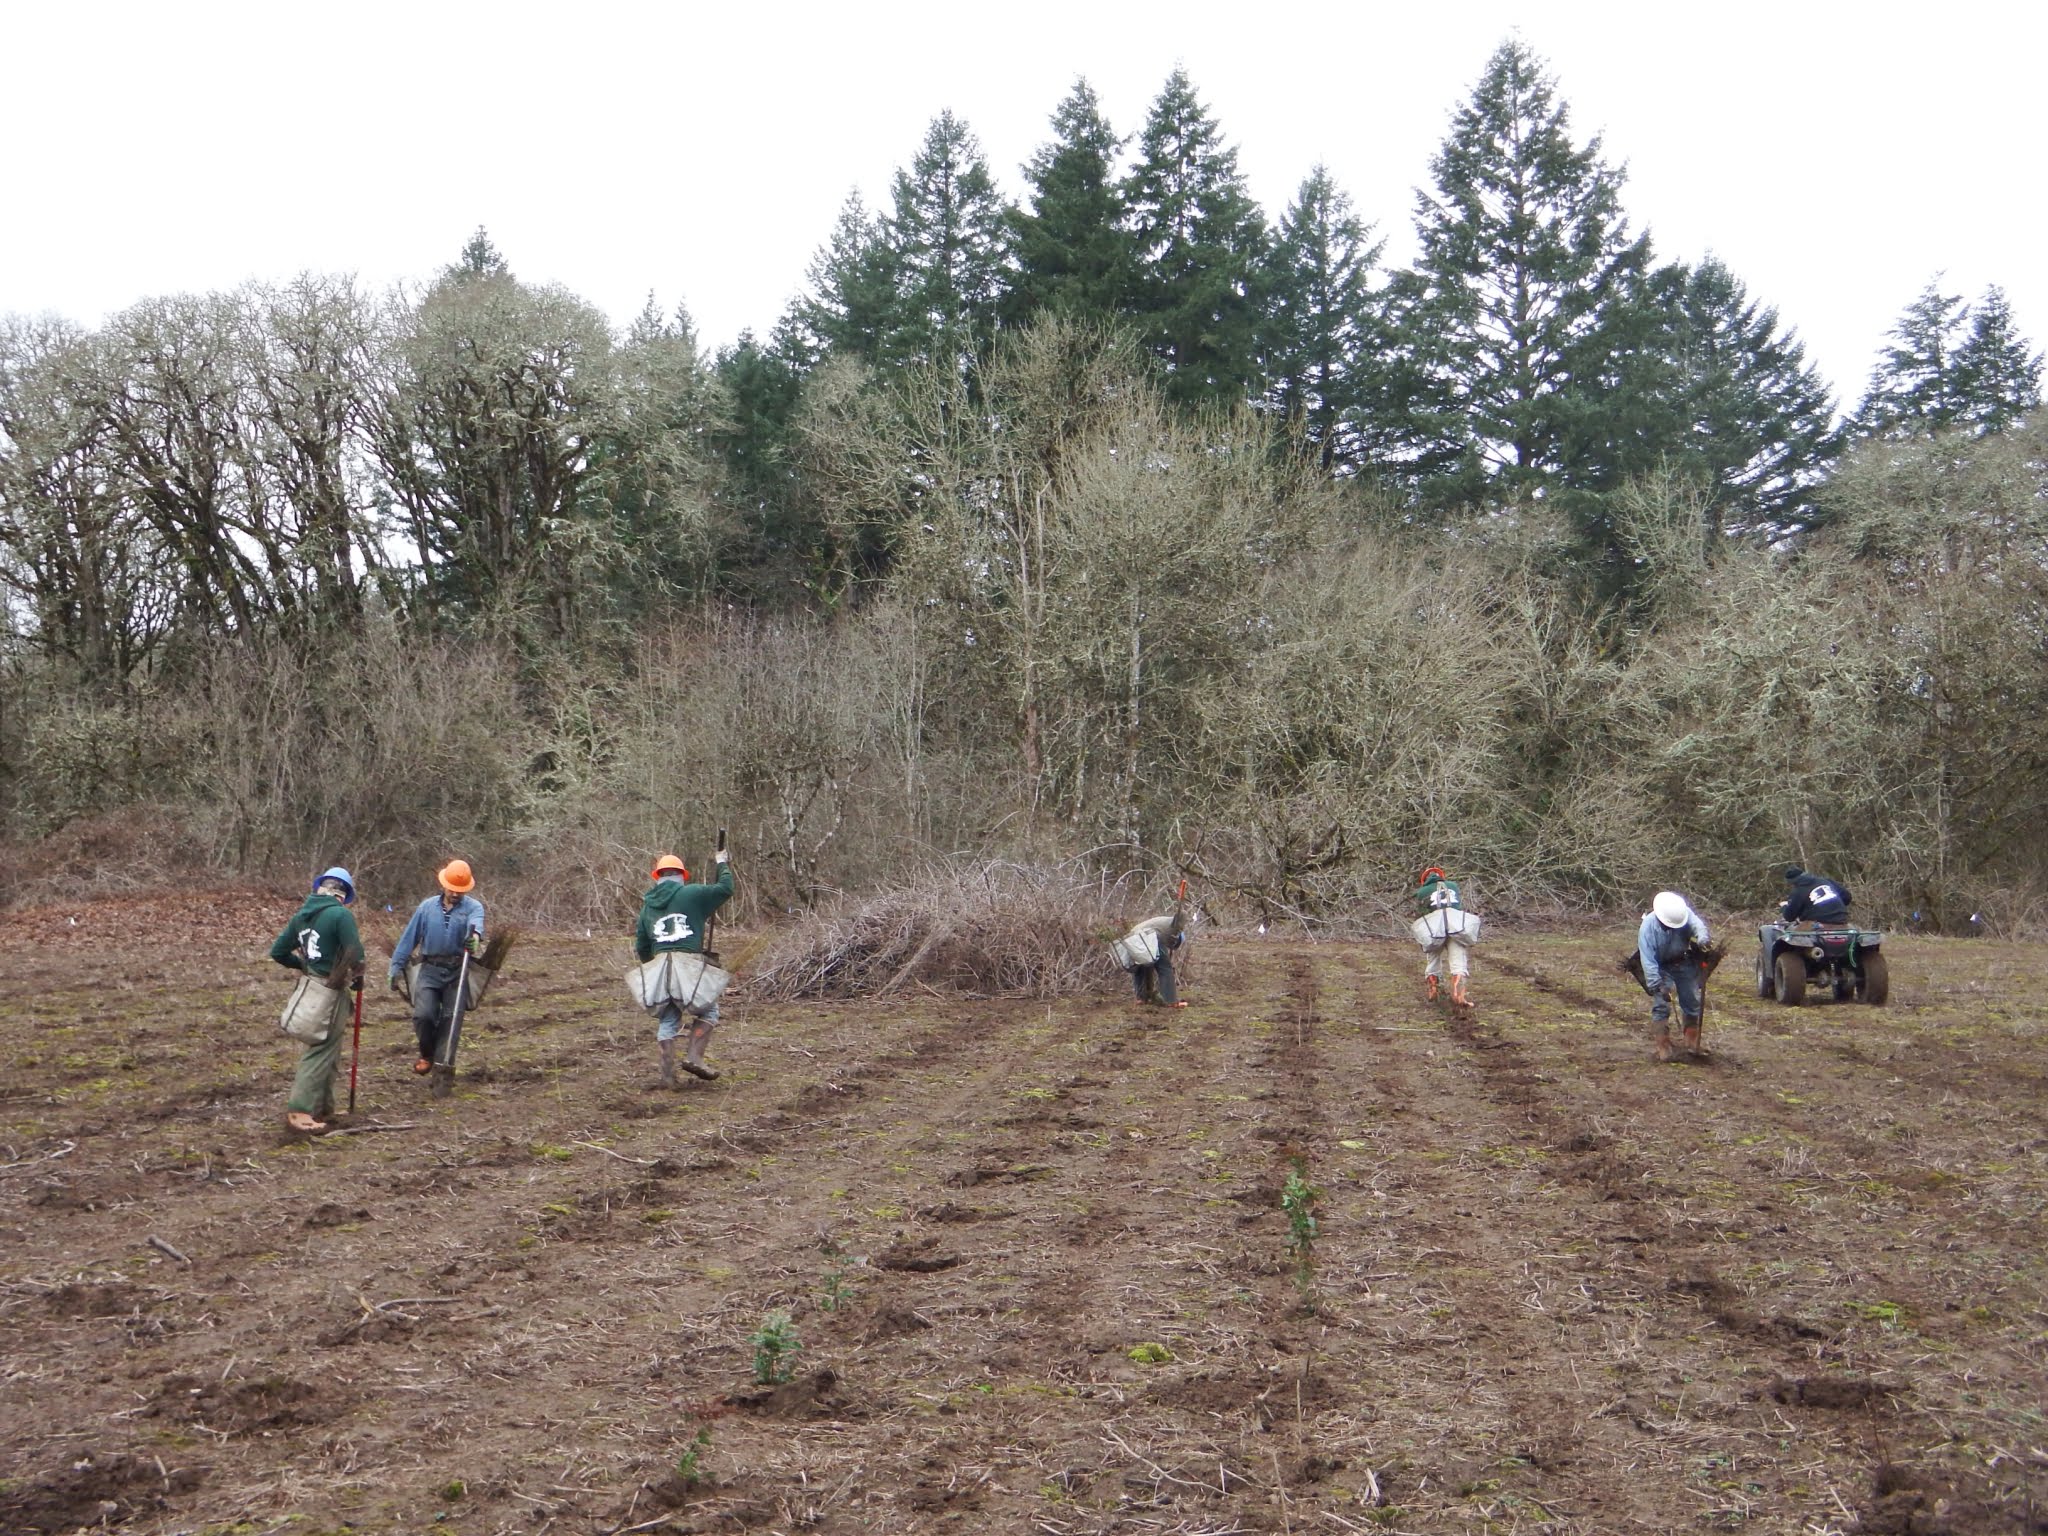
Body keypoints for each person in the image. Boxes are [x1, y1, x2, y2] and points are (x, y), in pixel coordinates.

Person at [268, 866, 366, 1132]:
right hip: (330, 992)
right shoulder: (340, 915)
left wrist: (302, 965)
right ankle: (299, 1110)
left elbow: (278, 951)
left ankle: (323, 1107)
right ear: (343, 895)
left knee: (330, 1051)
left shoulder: (302, 916)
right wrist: (358, 974)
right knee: (320, 1048)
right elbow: (355, 953)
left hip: (312, 984)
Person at [634, 848, 734, 1085]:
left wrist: (655, 966)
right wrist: (721, 863)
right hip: (688, 963)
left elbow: (642, 945)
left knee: (668, 1019)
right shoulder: (692, 893)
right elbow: (725, 888)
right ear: (682, 875)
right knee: (708, 1011)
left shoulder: (647, 906)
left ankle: (668, 1074)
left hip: (659, 966)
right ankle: (694, 1058)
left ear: (658, 876)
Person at [389, 859, 486, 1077]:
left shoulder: (474, 907)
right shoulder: (426, 908)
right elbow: (408, 939)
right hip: (430, 970)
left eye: (460, 890)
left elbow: (477, 924)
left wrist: (476, 938)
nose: (455, 893)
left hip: (457, 972)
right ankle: (427, 1055)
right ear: (444, 884)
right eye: (452, 888)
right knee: (423, 1016)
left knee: (451, 1021)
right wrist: (395, 967)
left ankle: (444, 1069)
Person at [1638, 889, 1711, 1062]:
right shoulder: (1647, 929)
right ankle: (1663, 1045)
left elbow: (1698, 927)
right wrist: (1657, 985)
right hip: (1661, 966)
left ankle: (1691, 1041)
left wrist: (1703, 939)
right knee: (1661, 1004)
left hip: (1683, 962)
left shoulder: (1684, 915)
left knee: (1692, 999)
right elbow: (1648, 960)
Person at [1410, 865, 1476, 1007]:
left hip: (1435, 927)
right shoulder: (1453, 886)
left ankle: (1434, 989)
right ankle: (1459, 995)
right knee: (1458, 961)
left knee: (1433, 958)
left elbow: (1422, 915)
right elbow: (1458, 906)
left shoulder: (1423, 891)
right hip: (1455, 925)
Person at [1121, 913, 1189, 1008]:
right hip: (1148, 936)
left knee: (1141, 966)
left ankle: (1142, 998)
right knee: (1165, 968)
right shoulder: (1173, 929)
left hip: (1132, 937)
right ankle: (1170, 1000)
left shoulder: (1166, 924)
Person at [1780, 866, 1851, 924]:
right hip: (1842, 920)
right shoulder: (1826, 881)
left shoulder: (1798, 891)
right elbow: (1847, 897)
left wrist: (1784, 906)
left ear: (1792, 882)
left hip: (1816, 925)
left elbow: (1789, 917)